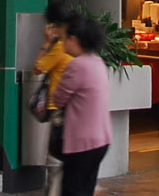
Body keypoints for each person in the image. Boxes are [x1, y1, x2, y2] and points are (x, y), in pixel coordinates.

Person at [50, 16, 111, 196]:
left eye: (64, 38)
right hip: (101, 139)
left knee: (73, 190)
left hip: (81, 142)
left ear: (73, 40)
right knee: (86, 188)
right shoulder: (98, 62)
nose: (62, 42)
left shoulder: (77, 65)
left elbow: (59, 99)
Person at [34, 2, 74, 169]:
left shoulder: (59, 48)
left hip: (58, 106)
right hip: (73, 105)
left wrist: (46, 43)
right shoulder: (78, 45)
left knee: (55, 158)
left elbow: (37, 68)